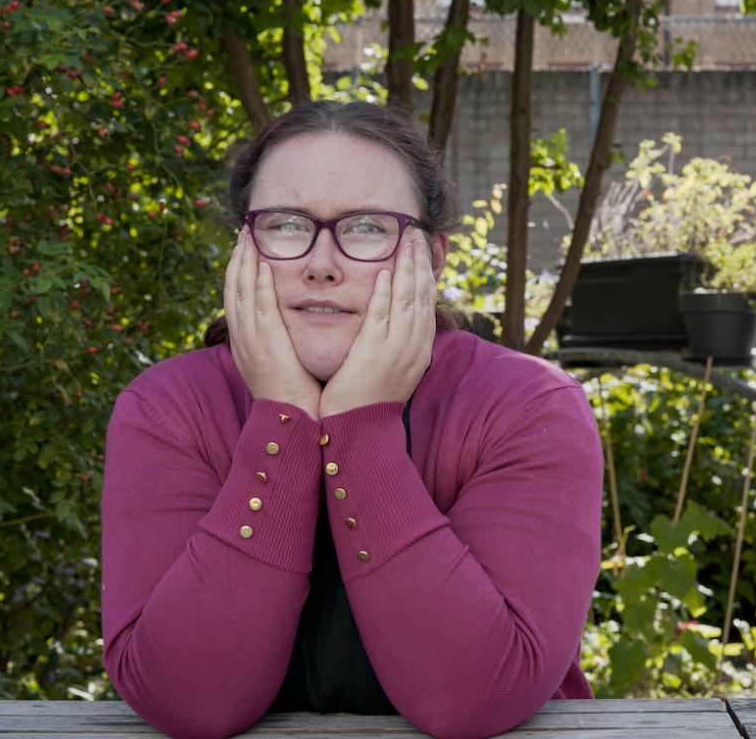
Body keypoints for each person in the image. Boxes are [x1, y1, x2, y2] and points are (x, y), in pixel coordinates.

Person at [101, 100, 603, 739]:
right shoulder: (167, 410)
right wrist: (283, 419)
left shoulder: (525, 407)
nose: (321, 263)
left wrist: (359, 428)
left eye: (366, 227)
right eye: (285, 224)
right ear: (244, 248)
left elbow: (473, 697)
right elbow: (188, 698)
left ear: (432, 256)